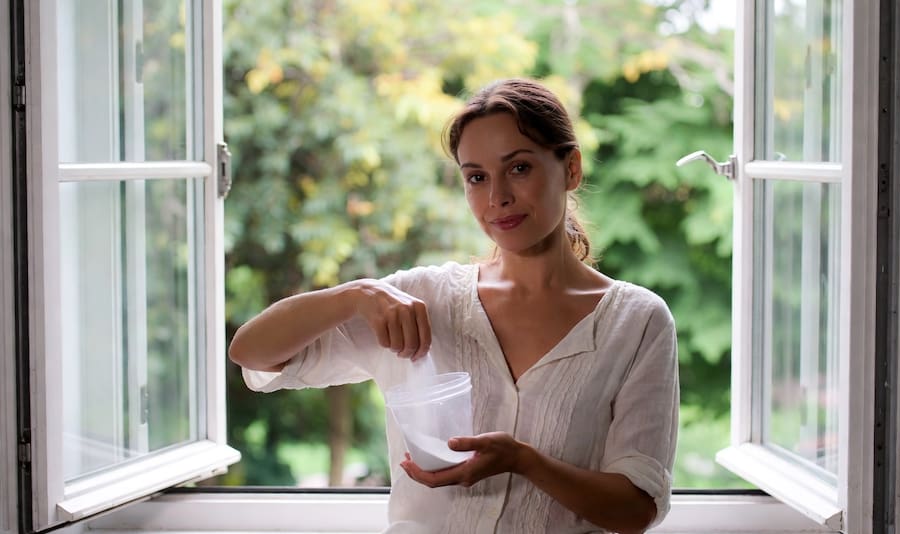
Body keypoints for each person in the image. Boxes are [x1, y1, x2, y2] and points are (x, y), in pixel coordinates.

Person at [229, 78, 679, 534]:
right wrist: (355, 295)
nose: (496, 197)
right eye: (476, 177)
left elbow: (636, 508)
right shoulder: (421, 299)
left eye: (519, 168)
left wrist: (524, 461)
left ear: (571, 169)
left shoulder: (637, 322)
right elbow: (251, 352)